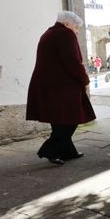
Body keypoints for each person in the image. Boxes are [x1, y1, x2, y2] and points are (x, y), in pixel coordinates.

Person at [26, 11, 96, 165]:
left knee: (60, 121)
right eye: (76, 27)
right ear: (67, 24)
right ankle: (50, 150)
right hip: (61, 86)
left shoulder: (48, 33)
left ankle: (67, 151)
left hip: (48, 85)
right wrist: (84, 79)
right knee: (71, 119)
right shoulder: (65, 34)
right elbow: (72, 61)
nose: (77, 31)